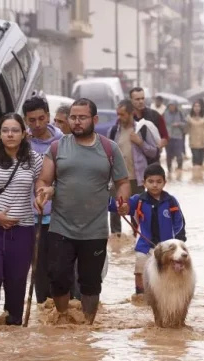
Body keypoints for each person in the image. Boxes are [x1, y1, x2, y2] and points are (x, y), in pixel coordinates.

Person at [35, 98, 131, 324]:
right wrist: (43, 192)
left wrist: (123, 199)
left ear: (94, 120)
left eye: (82, 118)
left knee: (90, 283)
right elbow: (44, 179)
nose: (77, 122)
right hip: (61, 227)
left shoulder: (109, 148)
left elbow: (123, 181)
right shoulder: (57, 147)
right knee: (58, 278)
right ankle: (63, 319)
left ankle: (87, 326)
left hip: (95, 230)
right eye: (73, 118)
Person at [0, 113, 44, 324]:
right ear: (0, 134)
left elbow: (42, 183)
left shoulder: (34, 159)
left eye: (15, 131)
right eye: (5, 131)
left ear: (24, 134)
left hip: (22, 230)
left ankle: (12, 332)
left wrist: (40, 196)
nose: (10, 134)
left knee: (17, 283)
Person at [109, 164, 186, 298]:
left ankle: (169, 295)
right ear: (144, 183)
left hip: (167, 247)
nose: (155, 185)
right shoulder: (138, 200)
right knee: (140, 267)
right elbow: (122, 208)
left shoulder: (171, 201)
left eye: (158, 182)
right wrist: (110, 202)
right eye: (151, 181)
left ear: (164, 183)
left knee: (170, 271)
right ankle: (140, 294)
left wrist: (179, 241)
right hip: (145, 245)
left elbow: (179, 222)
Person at [22, 96, 63, 305]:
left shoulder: (62, 142)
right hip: (31, 218)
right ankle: (44, 312)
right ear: (26, 120)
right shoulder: (21, 145)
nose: (37, 124)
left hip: (60, 217)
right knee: (38, 271)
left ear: (48, 116)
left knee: (60, 269)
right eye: (32, 120)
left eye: (41, 118)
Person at [108, 99, 157, 233]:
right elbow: (107, 154)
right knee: (115, 212)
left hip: (137, 178)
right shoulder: (113, 131)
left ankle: (137, 239)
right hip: (118, 178)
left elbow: (153, 151)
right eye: (117, 114)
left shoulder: (142, 129)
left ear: (131, 113)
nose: (119, 117)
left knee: (138, 212)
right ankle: (117, 242)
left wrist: (140, 142)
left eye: (122, 114)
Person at [129, 87, 168, 162]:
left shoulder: (155, 116)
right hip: (133, 162)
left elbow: (165, 137)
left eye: (142, 98)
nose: (141, 101)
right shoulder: (127, 118)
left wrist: (157, 146)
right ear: (131, 100)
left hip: (152, 161)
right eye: (137, 99)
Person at [162, 102, 186, 174]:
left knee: (179, 154)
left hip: (178, 137)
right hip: (168, 137)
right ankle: (169, 171)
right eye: (170, 106)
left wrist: (179, 124)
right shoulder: (165, 114)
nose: (171, 107)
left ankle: (179, 170)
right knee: (169, 155)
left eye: (173, 106)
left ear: (176, 106)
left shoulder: (180, 114)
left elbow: (185, 123)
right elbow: (161, 124)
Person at [187, 100, 204, 169]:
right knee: (195, 161)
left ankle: (199, 178)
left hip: (203, 143)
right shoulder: (189, 118)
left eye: (198, 106)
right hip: (193, 143)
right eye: (195, 106)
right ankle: (195, 178)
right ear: (193, 108)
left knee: (201, 162)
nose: (197, 108)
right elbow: (186, 130)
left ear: (201, 108)